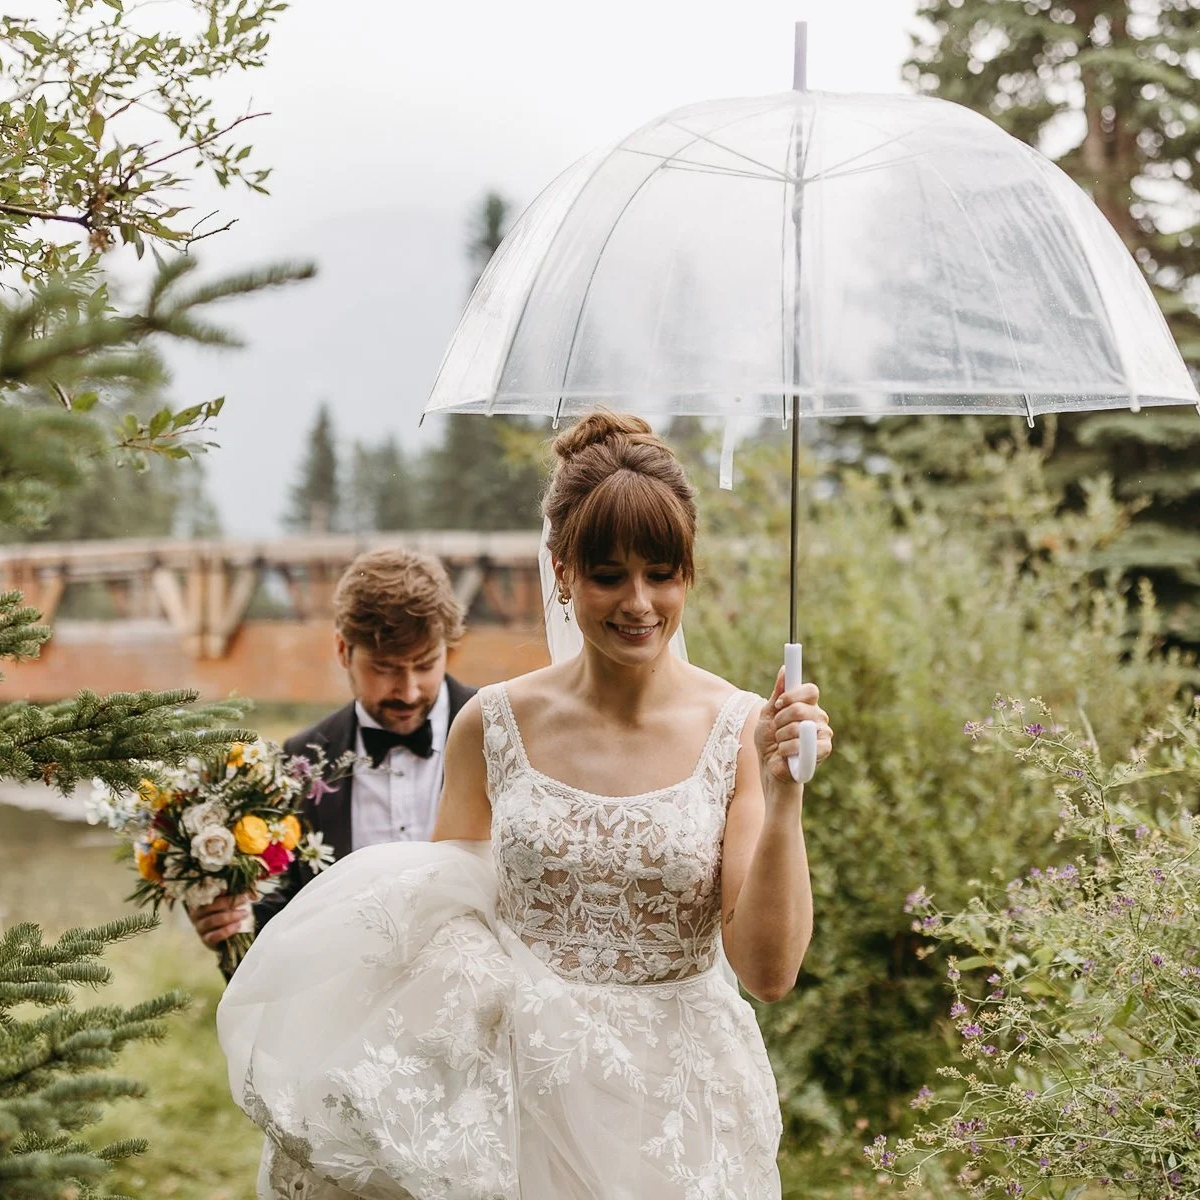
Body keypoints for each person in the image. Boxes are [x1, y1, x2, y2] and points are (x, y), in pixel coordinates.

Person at [218, 411, 833, 1199]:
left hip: (681, 1111)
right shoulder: (491, 726)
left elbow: (769, 972)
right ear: (562, 570)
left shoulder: (742, 729)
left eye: (662, 572)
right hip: (522, 1100)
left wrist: (784, 800)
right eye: (609, 574)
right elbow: (441, 927)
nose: (639, 602)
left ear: (690, 571)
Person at [186, 548, 478, 968]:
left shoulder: (499, 731)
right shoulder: (299, 760)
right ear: (343, 651)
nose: (409, 691)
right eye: (385, 668)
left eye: (425, 664)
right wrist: (230, 925)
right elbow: (277, 916)